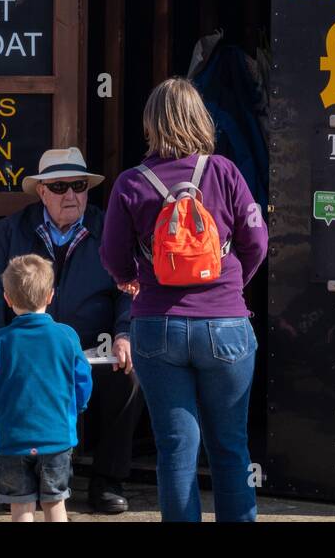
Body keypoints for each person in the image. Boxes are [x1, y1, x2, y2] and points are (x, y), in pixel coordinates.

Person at [101, 77, 269, 522]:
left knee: (176, 448)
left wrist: (130, 278)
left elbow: (112, 254)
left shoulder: (130, 183)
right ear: (201, 119)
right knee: (230, 446)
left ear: (151, 124)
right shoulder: (224, 172)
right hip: (226, 327)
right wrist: (235, 284)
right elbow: (257, 240)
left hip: (157, 327)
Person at [0, 147, 143, 514]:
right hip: (28, 350)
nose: (71, 195)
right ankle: (14, 479)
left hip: (94, 350)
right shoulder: (10, 230)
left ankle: (107, 480)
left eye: (78, 185)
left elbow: (128, 287)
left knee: (131, 375)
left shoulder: (108, 226)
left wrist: (125, 332)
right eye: (60, 187)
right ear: (42, 192)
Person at [0, 254, 93, 522]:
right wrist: (77, 406)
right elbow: (83, 381)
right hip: (56, 437)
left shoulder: (0, 340)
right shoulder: (67, 336)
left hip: (12, 440)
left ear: (7, 298)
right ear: (50, 295)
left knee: (20, 507)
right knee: (55, 504)